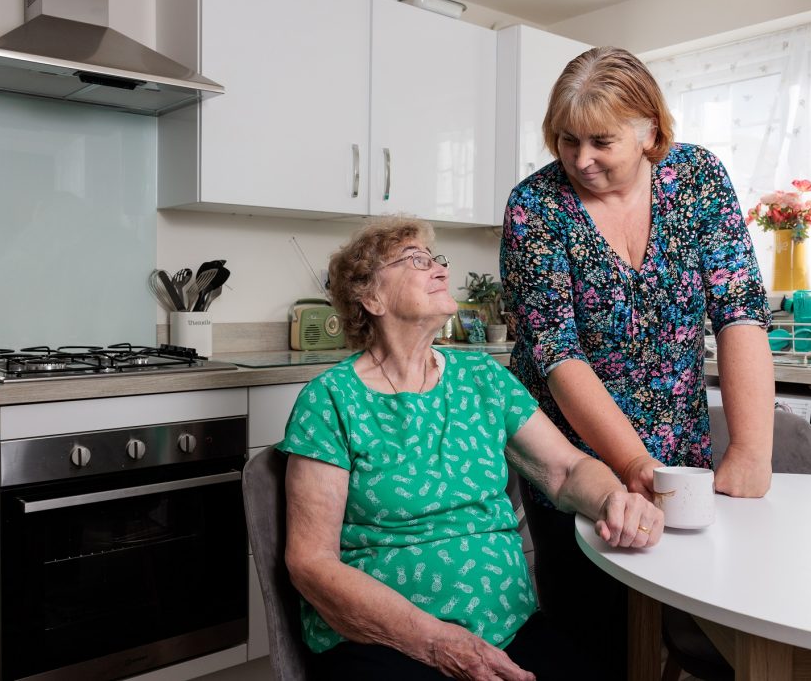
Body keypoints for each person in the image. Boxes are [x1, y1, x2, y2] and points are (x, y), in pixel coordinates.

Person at [279, 215, 664, 681]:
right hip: (386, 640)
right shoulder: (330, 399)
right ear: (371, 297)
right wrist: (436, 642)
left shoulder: (482, 379)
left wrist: (611, 498)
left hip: (509, 624)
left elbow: (565, 470)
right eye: (416, 261)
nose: (441, 270)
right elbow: (311, 561)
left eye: (437, 259)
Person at [499, 46, 775, 677]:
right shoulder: (534, 207)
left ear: (650, 130)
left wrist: (752, 451)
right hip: (577, 458)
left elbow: (739, 313)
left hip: (681, 454)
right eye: (567, 140)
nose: (581, 160)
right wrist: (629, 466)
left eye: (602, 141)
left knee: (696, 627)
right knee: (595, 638)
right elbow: (557, 355)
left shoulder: (698, 179)